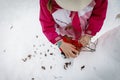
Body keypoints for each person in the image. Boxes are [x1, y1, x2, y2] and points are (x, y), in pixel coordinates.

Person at [39, 0, 108, 58]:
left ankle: (78, 50)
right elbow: (47, 26)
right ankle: (66, 52)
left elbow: (98, 16)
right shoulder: (46, 2)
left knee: (81, 43)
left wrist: (89, 33)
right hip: (64, 34)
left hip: (83, 31)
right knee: (66, 45)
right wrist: (60, 43)